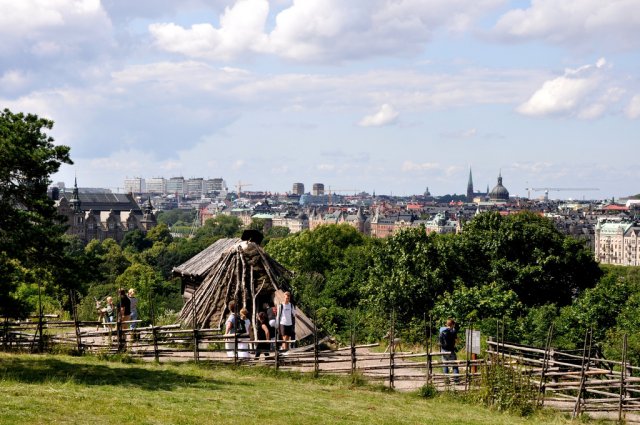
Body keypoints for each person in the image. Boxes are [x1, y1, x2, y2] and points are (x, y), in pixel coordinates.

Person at [439, 318, 459, 383]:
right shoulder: (453, 331)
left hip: (444, 350)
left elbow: (440, 341)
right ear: (453, 324)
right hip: (451, 351)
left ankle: (446, 380)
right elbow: (457, 341)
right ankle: (456, 380)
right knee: (454, 365)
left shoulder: (442, 330)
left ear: (446, 324)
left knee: (445, 365)